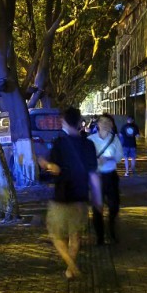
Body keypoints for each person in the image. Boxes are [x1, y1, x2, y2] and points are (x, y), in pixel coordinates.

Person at [38, 107, 102, 279]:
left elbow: (47, 164)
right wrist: (97, 199)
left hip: (61, 197)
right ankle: (70, 270)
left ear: (64, 122)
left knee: (56, 236)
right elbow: (93, 175)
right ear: (80, 122)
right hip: (80, 198)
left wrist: (47, 164)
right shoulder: (89, 145)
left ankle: (71, 265)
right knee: (75, 237)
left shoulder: (59, 143)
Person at [88, 114, 124, 244]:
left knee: (114, 205)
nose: (105, 124)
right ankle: (100, 237)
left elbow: (119, 156)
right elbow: (86, 158)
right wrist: (95, 160)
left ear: (112, 125)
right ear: (97, 124)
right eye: (102, 122)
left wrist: (109, 158)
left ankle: (111, 229)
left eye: (108, 122)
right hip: (96, 177)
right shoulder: (90, 139)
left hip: (111, 175)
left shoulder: (115, 139)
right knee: (97, 208)